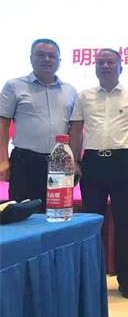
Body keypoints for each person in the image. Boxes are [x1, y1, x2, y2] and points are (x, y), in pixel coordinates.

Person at [69, 48, 128, 299]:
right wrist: (74, 161)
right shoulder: (85, 96)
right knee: (93, 222)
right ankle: (93, 280)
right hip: (92, 162)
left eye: (110, 62)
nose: (105, 66)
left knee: (125, 223)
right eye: (100, 62)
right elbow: (76, 130)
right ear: (95, 67)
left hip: (123, 161)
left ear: (120, 67)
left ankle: (126, 280)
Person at [0, 39, 77, 212]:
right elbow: (2, 125)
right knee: (22, 214)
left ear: (59, 60)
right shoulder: (14, 86)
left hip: (59, 162)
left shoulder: (70, 90)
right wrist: (3, 160)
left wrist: (74, 161)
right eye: (41, 55)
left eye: (52, 56)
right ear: (31, 58)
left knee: (57, 213)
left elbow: (75, 129)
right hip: (25, 161)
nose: (46, 59)